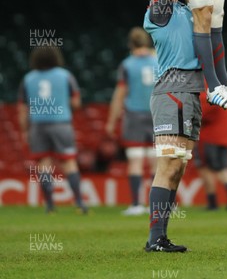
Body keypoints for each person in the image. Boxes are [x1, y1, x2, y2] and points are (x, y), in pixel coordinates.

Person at [138, 0, 206, 252]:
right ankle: (154, 240)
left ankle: (160, 237)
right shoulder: (159, 12)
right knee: (169, 164)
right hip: (174, 91)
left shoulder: (181, 10)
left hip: (188, 91)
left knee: (178, 166)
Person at [17, 46, 88, 213]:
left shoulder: (27, 79)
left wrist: (25, 131)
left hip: (38, 126)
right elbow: (77, 103)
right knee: (69, 162)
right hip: (61, 124)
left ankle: (49, 205)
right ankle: (79, 203)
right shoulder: (65, 76)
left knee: (44, 165)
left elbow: (22, 109)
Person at [105, 26, 157, 216]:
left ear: (130, 44)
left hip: (134, 116)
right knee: (156, 161)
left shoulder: (127, 65)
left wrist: (111, 121)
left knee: (135, 160)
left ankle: (136, 205)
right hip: (156, 115)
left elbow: (120, 95)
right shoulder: (158, 60)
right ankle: (158, 205)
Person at [194, 91, 227, 211]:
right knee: (223, 167)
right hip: (224, 137)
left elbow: (199, 114)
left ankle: (212, 202)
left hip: (208, 137)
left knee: (205, 168)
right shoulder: (224, 92)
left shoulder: (206, 93)